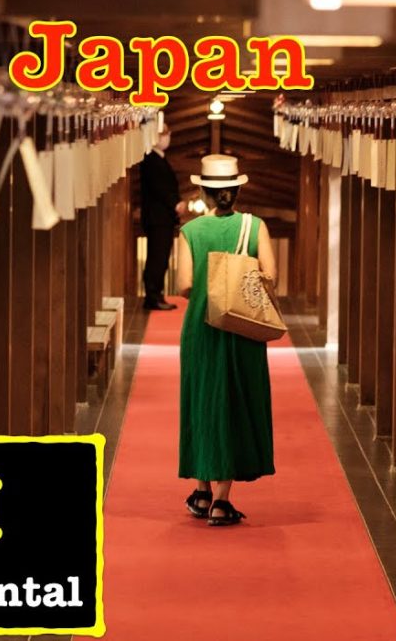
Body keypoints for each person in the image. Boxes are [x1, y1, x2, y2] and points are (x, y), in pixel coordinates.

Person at [175, 155, 276, 527]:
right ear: (236, 190)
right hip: (242, 328)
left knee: (200, 401)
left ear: (203, 191)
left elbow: (184, 284)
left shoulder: (190, 231)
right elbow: (271, 275)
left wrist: (207, 290)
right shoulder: (255, 227)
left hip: (200, 328)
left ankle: (201, 490)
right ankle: (221, 501)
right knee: (233, 403)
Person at [139, 125, 186, 311]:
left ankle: (156, 294)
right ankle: (152, 296)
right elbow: (160, 187)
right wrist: (175, 203)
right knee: (157, 258)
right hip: (157, 218)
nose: (168, 137)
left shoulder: (159, 158)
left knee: (161, 257)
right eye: (164, 134)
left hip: (162, 218)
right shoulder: (150, 159)